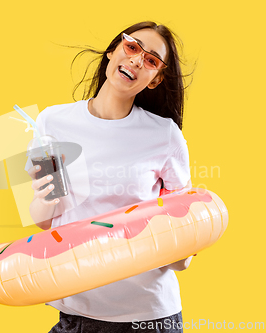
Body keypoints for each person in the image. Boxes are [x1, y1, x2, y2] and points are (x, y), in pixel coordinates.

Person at [25, 21, 194, 333]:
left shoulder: (165, 136)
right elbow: (44, 220)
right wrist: (45, 195)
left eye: (151, 60)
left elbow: (182, 248)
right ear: (113, 50)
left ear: (155, 80)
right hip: (76, 310)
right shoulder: (52, 122)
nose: (136, 60)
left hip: (147, 316)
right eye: (132, 47)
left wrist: (185, 247)